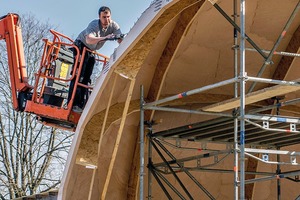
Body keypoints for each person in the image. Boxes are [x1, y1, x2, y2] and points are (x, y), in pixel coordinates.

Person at [68, 6, 122, 113]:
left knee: (87, 77)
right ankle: (73, 104)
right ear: (99, 17)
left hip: (91, 51)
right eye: (104, 17)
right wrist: (105, 38)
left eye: (108, 17)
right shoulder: (94, 25)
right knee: (79, 75)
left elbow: (120, 39)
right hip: (81, 47)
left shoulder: (113, 25)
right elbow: (89, 39)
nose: (106, 20)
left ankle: (82, 105)